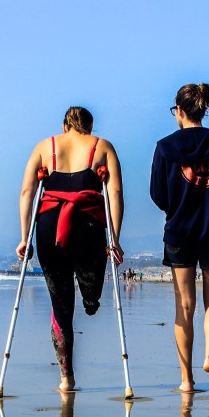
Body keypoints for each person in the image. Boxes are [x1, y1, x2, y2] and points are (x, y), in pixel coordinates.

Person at [17, 106, 124, 392]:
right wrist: (114, 237)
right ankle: (90, 301)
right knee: (90, 289)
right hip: (88, 227)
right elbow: (114, 193)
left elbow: (27, 192)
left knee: (60, 306)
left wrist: (23, 237)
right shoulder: (102, 147)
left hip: (49, 228)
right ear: (89, 126)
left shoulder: (45, 146)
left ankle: (66, 379)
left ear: (65, 126)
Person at [150, 83, 209, 392]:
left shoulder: (165, 147)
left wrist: (180, 205)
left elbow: (158, 194)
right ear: (203, 109)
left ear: (178, 111)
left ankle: (186, 380)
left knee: (184, 306)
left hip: (180, 231)